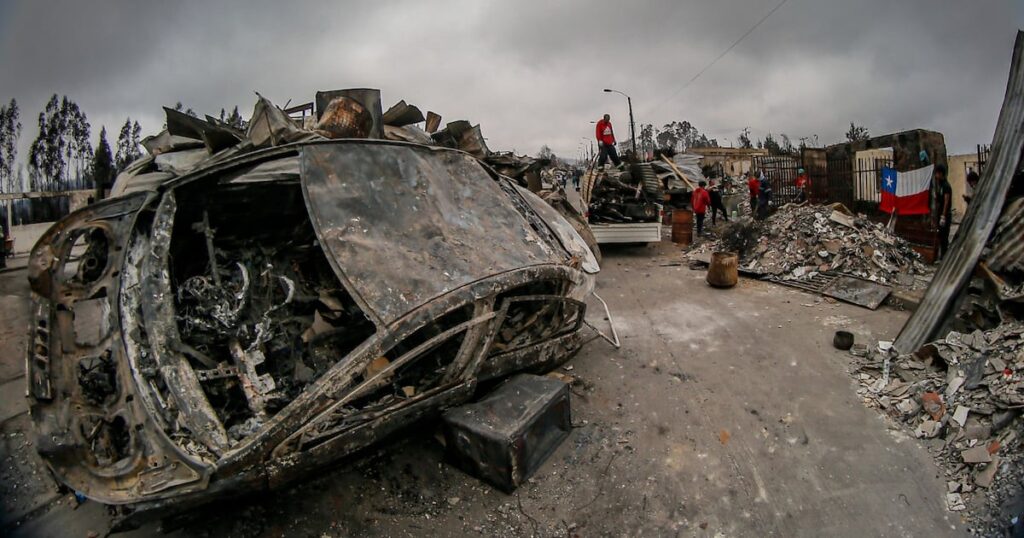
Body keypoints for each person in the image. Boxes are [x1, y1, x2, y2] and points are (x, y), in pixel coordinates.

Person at [935, 163, 953, 260]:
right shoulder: (940, 185)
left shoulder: (946, 186)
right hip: (940, 213)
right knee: (940, 235)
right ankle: (941, 255)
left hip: (945, 215)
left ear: (941, 173)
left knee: (944, 236)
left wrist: (943, 215)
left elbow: (946, 201)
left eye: (937, 173)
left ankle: (944, 256)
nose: (936, 176)